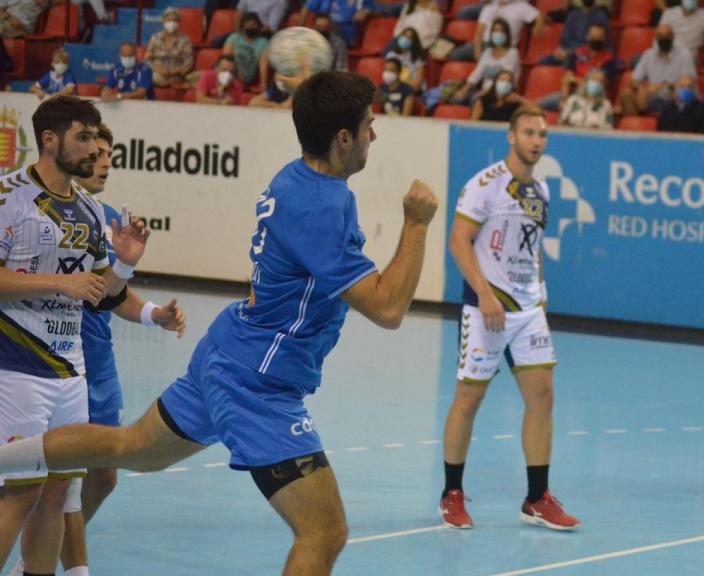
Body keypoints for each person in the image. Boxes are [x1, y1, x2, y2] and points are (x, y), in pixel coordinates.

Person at [0, 72, 439, 574]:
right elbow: (387, 308)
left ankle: (4, 457)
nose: (373, 136)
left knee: (134, 448)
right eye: (368, 126)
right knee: (324, 531)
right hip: (259, 381)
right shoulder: (321, 204)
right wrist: (417, 222)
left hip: (228, 352)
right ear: (343, 138)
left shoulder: (296, 177)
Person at [6, 123, 187, 576]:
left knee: (89, 480)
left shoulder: (99, 215)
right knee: (30, 485)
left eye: (107, 153)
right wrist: (59, 283)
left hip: (89, 365)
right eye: (93, 148)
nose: (102, 160)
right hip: (29, 361)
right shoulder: (21, 202)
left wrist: (153, 313)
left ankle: (43, 562)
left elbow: (111, 294)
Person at [440, 107, 580, 532]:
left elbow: (532, 247)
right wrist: (484, 294)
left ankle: (537, 498)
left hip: (527, 309)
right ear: (512, 136)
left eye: (542, 134)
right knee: (469, 398)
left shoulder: (542, 190)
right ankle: (451, 493)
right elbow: (458, 241)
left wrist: (540, 293)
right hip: (486, 306)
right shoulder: (485, 184)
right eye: (529, 133)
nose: (536, 141)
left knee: (543, 397)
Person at [620, 24, 696, 116]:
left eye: (667, 36)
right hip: (653, 99)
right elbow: (634, 81)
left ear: (673, 37)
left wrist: (663, 86)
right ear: (656, 38)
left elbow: (688, 83)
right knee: (627, 94)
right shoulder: (648, 55)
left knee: (683, 94)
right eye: (660, 36)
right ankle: (634, 124)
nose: (664, 39)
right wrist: (641, 88)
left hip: (675, 97)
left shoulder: (684, 55)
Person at [454, 17, 519, 104]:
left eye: (501, 31)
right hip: (483, 91)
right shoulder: (487, 52)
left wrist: (486, 92)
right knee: (456, 99)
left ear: (507, 34)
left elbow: (506, 78)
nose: (498, 34)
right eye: (495, 31)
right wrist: (464, 90)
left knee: (476, 101)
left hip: (502, 94)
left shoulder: (513, 53)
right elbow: (477, 74)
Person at [146, 7, 195, 88]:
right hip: (157, 72)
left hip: (176, 75)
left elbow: (188, 62)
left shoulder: (185, 40)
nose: (172, 23)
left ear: (178, 22)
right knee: (148, 77)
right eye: (169, 20)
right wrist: (158, 69)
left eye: (175, 20)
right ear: (163, 21)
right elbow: (148, 60)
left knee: (151, 79)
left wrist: (174, 71)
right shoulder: (155, 38)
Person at [223, 12, 270, 89]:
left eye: (254, 25)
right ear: (242, 27)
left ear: (259, 26)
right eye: (248, 25)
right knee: (203, 75)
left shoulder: (263, 43)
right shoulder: (234, 37)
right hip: (228, 70)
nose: (251, 28)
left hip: (244, 77)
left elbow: (263, 64)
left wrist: (263, 83)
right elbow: (225, 58)